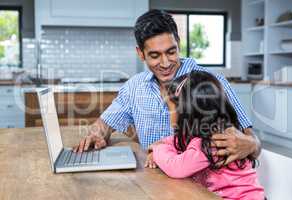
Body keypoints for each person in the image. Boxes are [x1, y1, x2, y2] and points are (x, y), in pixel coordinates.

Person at [73, 9, 261, 168]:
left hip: (207, 187)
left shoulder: (212, 82)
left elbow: (253, 141)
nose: (165, 63)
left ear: (178, 44)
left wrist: (251, 145)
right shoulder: (134, 87)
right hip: (155, 184)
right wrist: (96, 135)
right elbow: (105, 124)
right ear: (140, 53)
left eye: (171, 52)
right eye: (154, 55)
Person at [149, 70, 265, 199]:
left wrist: (157, 149)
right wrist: (164, 142)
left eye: (169, 108)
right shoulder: (205, 133)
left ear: (186, 111)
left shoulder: (215, 142)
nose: (167, 113)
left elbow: (177, 168)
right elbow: (176, 140)